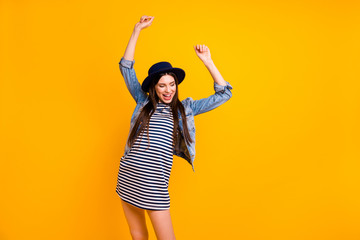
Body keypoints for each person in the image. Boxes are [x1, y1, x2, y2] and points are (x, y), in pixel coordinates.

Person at [116, 15, 233, 240]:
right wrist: (136, 30)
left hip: (154, 184)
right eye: (162, 85)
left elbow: (224, 94)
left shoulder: (184, 109)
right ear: (153, 88)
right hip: (128, 175)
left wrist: (208, 61)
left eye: (172, 84)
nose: (168, 90)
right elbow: (126, 68)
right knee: (138, 235)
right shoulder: (143, 102)